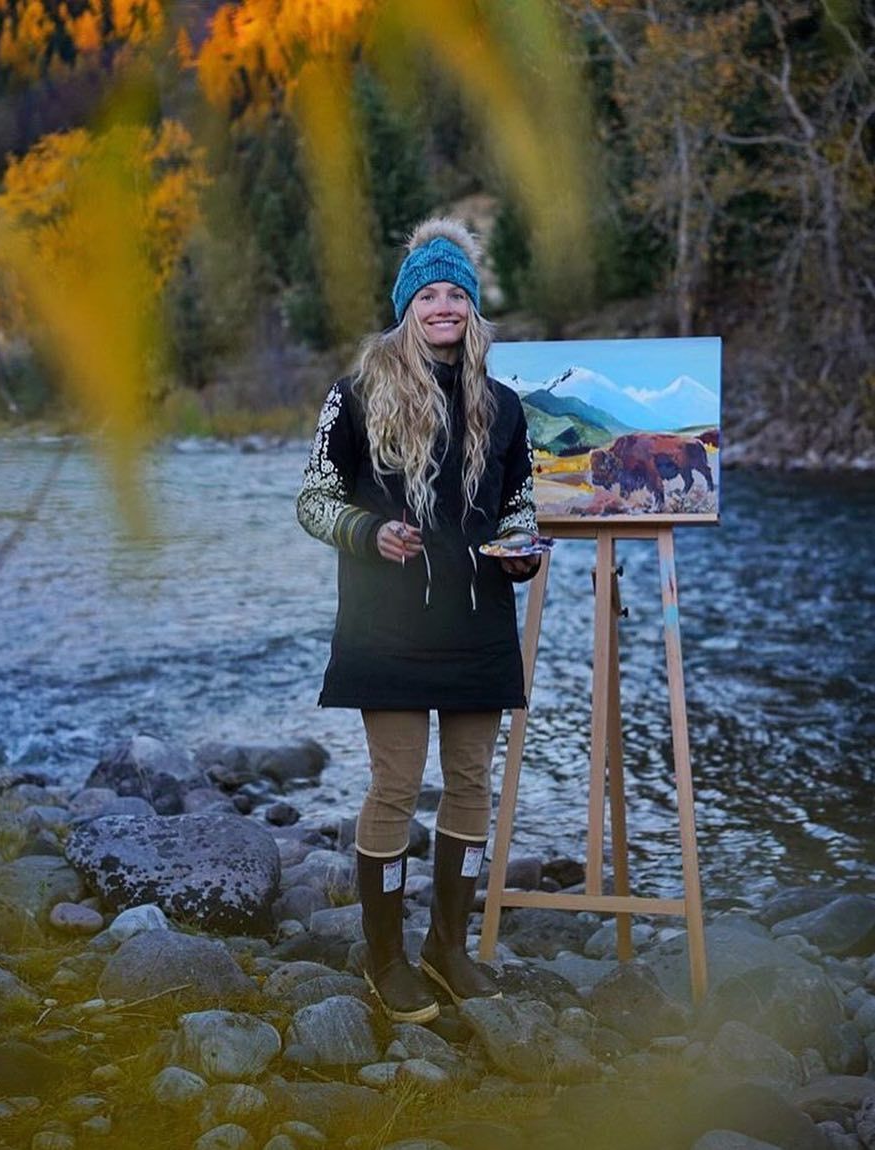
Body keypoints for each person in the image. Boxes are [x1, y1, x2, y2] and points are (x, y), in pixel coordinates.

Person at [296, 217, 540, 1024]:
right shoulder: (356, 393)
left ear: (473, 310)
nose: (443, 307)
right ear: (407, 308)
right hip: (384, 623)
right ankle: (385, 960)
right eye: (428, 295)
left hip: (476, 625)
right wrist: (369, 531)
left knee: (470, 783)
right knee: (396, 785)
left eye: (456, 295)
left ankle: (444, 949)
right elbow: (312, 500)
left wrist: (521, 554)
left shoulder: (503, 409)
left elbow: (519, 510)